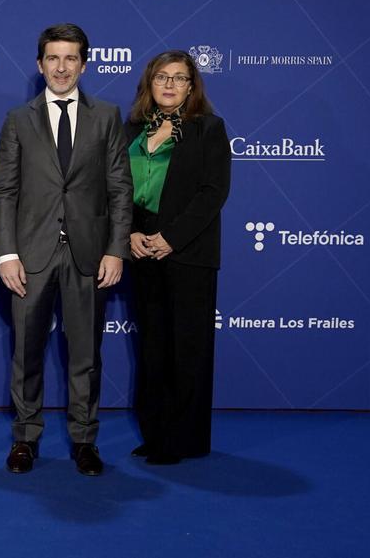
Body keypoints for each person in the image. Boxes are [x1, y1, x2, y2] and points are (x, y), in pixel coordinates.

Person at [0, 23, 132, 477]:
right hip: (30, 255)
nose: (61, 67)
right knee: (26, 352)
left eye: (71, 58)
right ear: (39, 65)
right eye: (53, 58)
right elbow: (5, 191)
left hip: (89, 255)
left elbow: (119, 189)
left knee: (86, 355)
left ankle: (84, 439)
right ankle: (25, 437)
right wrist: (6, 253)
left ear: (84, 64)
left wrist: (115, 250)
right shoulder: (18, 119)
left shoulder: (107, 115)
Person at [125, 50, 230, 465]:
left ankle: (183, 439)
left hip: (188, 252)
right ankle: (154, 433)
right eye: (161, 77)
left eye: (179, 78)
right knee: (152, 347)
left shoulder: (208, 129)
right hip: (141, 249)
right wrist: (130, 232)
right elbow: (119, 186)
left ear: (192, 86)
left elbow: (213, 193)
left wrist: (171, 237)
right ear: (149, 84)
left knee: (186, 348)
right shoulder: (132, 128)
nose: (169, 85)